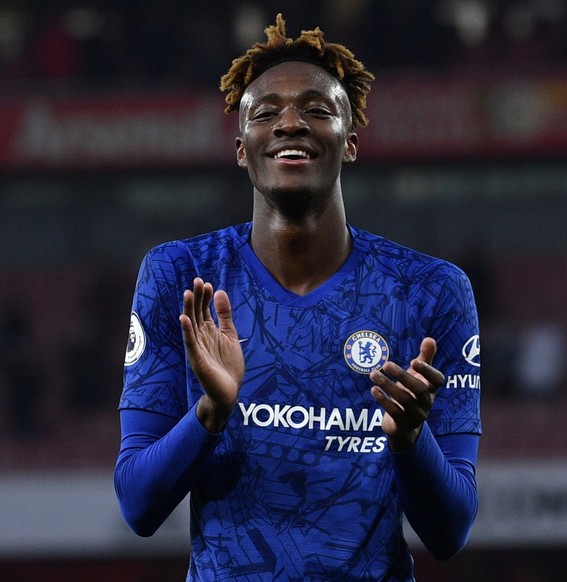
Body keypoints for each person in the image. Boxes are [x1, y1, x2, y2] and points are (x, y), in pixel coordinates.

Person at [114, 14, 481, 581]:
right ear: (242, 149)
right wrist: (210, 412)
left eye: (317, 109)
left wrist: (411, 439)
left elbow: (451, 531)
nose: (290, 123)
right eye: (265, 113)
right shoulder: (182, 277)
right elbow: (137, 507)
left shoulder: (432, 291)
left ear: (350, 142)